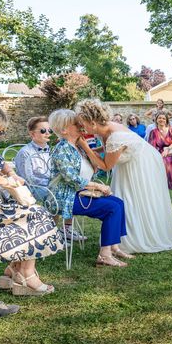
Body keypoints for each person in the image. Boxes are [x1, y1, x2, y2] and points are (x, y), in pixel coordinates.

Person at [75, 99, 172, 254]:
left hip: (141, 164)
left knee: (136, 197)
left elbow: (106, 165)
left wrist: (85, 146)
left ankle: (139, 236)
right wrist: (92, 151)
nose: (81, 126)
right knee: (126, 196)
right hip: (132, 162)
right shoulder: (105, 128)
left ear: (92, 122)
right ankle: (122, 234)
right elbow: (107, 149)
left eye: (82, 122)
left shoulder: (115, 136)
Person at [0, 106, 64, 296]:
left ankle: (15, 269)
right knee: (37, 216)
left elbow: (3, 165)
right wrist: (8, 181)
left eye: (1, 133)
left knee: (35, 212)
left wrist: (12, 173)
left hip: (0, 201)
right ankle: (25, 275)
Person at [48, 109, 130, 268]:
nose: (81, 125)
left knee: (118, 203)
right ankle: (104, 255)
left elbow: (94, 168)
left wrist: (87, 149)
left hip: (79, 192)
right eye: (75, 123)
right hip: (66, 197)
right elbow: (71, 178)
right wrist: (98, 185)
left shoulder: (76, 146)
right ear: (64, 130)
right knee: (112, 208)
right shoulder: (62, 148)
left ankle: (113, 247)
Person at [14, 116, 85, 242]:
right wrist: (52, 185)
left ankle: (66, 229)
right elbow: (27, 179)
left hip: (50, 185)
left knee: (70, 188)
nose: (47, 133)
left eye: (49, 130)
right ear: (32, 134)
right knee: (58, 194)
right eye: (43, 131)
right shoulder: (25, 152)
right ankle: (50, 234)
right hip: (33, 188)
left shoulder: (52, 150)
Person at [148, 111, 172, 189]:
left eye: (163, 118)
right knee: (164, 161)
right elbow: (152, 146)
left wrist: (167, 149)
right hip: (160, 152)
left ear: (166, 121)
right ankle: (168, 183)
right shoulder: (153, 132)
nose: (161, 120)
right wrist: (159, 153)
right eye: (159, 118)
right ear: (156, 120)